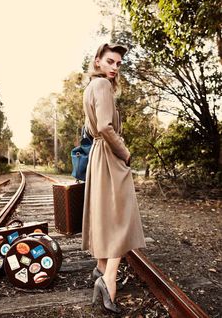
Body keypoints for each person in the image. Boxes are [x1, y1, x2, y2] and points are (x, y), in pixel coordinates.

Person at [81, 43, 146, 314]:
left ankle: (100, 268)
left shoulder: (89, 88)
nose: (115, 68)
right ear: (97, 61)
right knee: (121, 215)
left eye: (118, 64)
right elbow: (106, 126)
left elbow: (92, 128)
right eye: (110, 61)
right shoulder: (103, 87)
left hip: (98, 155)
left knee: (106, 214)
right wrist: (126, 152)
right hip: (109, 155)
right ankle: (109, 280)